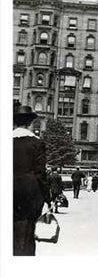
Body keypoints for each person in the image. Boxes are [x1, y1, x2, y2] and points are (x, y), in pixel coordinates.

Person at [13, 102, 51, 256]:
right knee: (27, 234)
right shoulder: (36, 142)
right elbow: (40, 174)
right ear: (30, 122)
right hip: (29, 193)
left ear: (15, 122)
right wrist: (48, 197)